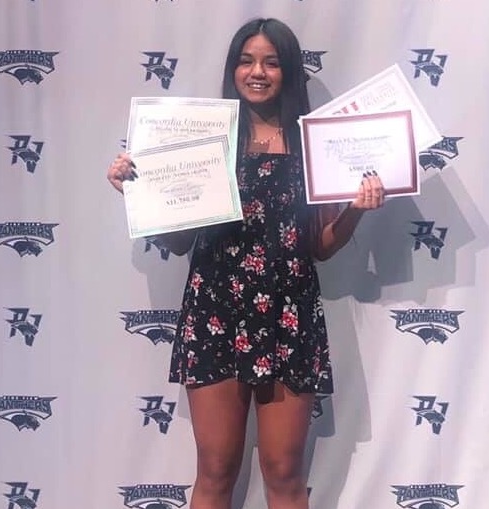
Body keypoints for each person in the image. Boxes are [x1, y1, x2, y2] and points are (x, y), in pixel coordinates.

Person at [107, 18, 385, 509]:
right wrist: (139, 193)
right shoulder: (204, 138)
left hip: (289, 317)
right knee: (215, 469)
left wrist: (356, 210)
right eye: (246, 61)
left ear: (288, 71)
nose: (257, 72)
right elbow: (178, 242)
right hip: (214, 313)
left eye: (271, 62)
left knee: (284, 472)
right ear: (233, 69)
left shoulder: (312, 145)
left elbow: (320, 246)